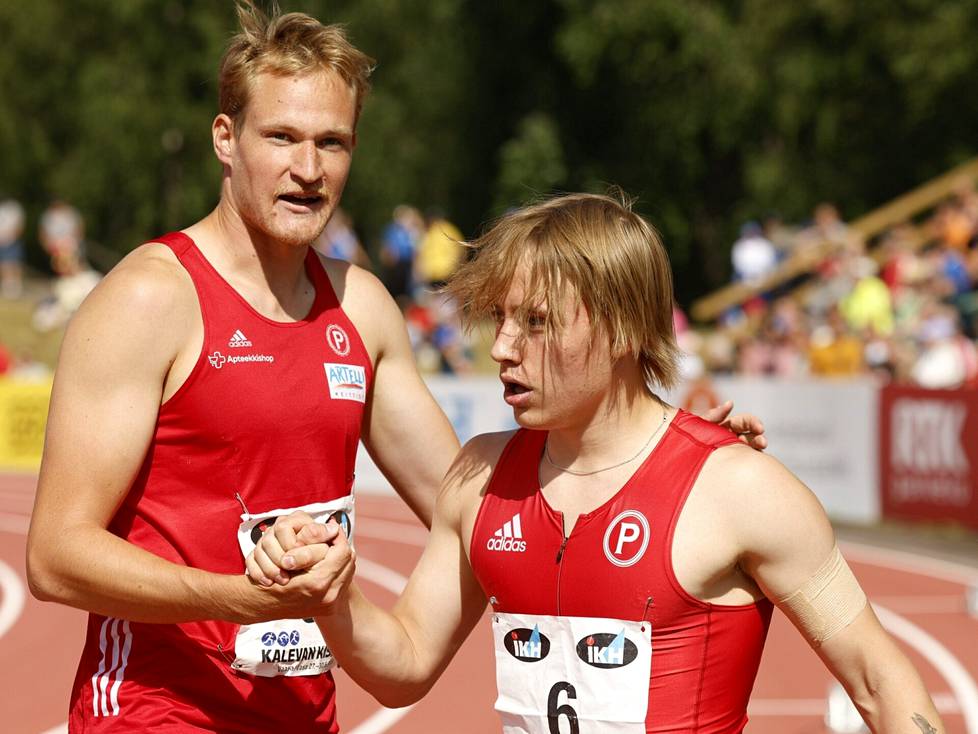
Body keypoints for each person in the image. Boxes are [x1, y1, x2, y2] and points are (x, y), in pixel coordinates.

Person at [25, 5, 764, 733]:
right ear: (226, 138)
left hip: (304, 712)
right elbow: (56, 556)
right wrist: (240, 599)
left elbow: (480, 509)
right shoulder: (150, 297)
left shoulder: (361, 308)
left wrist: (672, 463)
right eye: (281, 137)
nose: (308, 169)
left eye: (332, 143)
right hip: (159, 714)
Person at [253, 192, 944, 734]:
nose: (502, 347)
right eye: (502, 319)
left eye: (538, 322)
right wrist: (334, 598)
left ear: (619, 329)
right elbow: (402, 666)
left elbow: (880, 684)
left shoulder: (737, 489)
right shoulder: (481, 478)